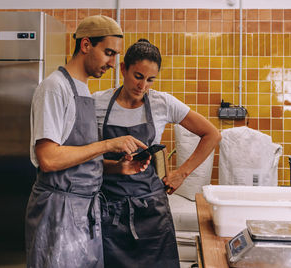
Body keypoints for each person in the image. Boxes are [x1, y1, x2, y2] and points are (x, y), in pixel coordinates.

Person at [25, 16, 149, 268]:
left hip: (84, 212)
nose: (113, 64)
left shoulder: (83, 91)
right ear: (85, 46)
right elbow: (48, 159)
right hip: (58, 212)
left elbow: (76, 159)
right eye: (108, 53)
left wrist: (116, 167)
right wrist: (107, 145)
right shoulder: (54, 88)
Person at [93, 39, 222, 268]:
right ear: (123, 69)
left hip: (151, 209)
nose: (143, 86)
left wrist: (182, 173)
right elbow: (86, 155)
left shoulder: (163, 103)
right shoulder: (97, 103)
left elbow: (212, 134)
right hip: (109, 209)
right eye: (138, 76)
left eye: (150, 79)